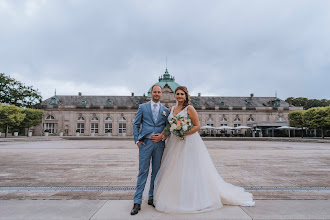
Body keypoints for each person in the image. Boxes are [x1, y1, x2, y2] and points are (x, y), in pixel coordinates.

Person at [153, 86, 255, 213]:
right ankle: (173, 195)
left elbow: (197, 126)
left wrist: (184, 132)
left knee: (190, 169)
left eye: (181, 94)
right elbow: (168, 126)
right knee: (173, 168)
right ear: (175, 95)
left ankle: (192, 197)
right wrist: (163, 135)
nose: (179, 96)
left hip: (188, 141)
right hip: (174, 143)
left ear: (186, 96)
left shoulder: (189, 108)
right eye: (177, 94)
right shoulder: (171, 109)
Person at [130, 84, 169, 215]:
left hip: (159, 144)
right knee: (143, 172)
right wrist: (137, 140)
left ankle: (152, 198)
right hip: (145, 143)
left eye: (159, 92)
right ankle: (137, 201)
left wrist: (163, 136)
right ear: (151, 93)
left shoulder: (165, 110)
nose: (157, 94)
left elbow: (168, 127)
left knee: (156, 172)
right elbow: (136, 124)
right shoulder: (143, 107)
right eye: (155, 92)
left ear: (161, 94)